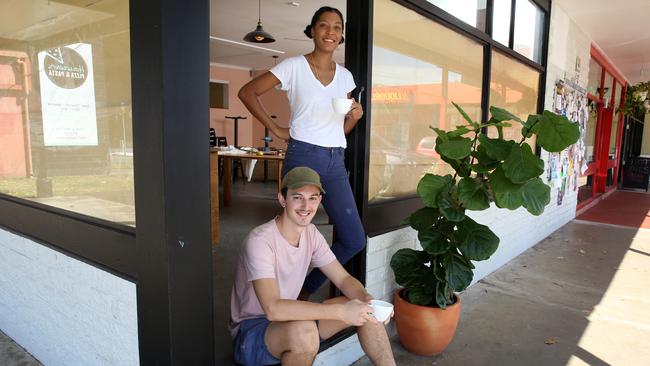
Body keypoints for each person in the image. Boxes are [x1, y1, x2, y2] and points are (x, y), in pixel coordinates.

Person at [238, 6, 365, 299]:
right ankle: (276, 298)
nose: (330, 32)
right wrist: (277, 129)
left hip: (335, 160)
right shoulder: (293, 66)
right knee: (291, 238)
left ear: (341, 34)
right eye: (324, 25)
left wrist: (355, 117)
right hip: (303, 155)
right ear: (312, 30)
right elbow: (247, 92)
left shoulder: (345, 77)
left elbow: (338, 128)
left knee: (354, 239)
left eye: (336, 27)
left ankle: (303, 291)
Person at [230, 167, 395, 366]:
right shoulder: (260, 241)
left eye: (313, 198)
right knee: (305, 332)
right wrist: (340, 312)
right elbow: (273, 309)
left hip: (289, 320)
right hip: (252, 331)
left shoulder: (311, 233)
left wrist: (367, 300)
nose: (305, 206)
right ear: (282, 199)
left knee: (363, 309)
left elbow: (343, 279)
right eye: (297, 197)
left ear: (319, 201)